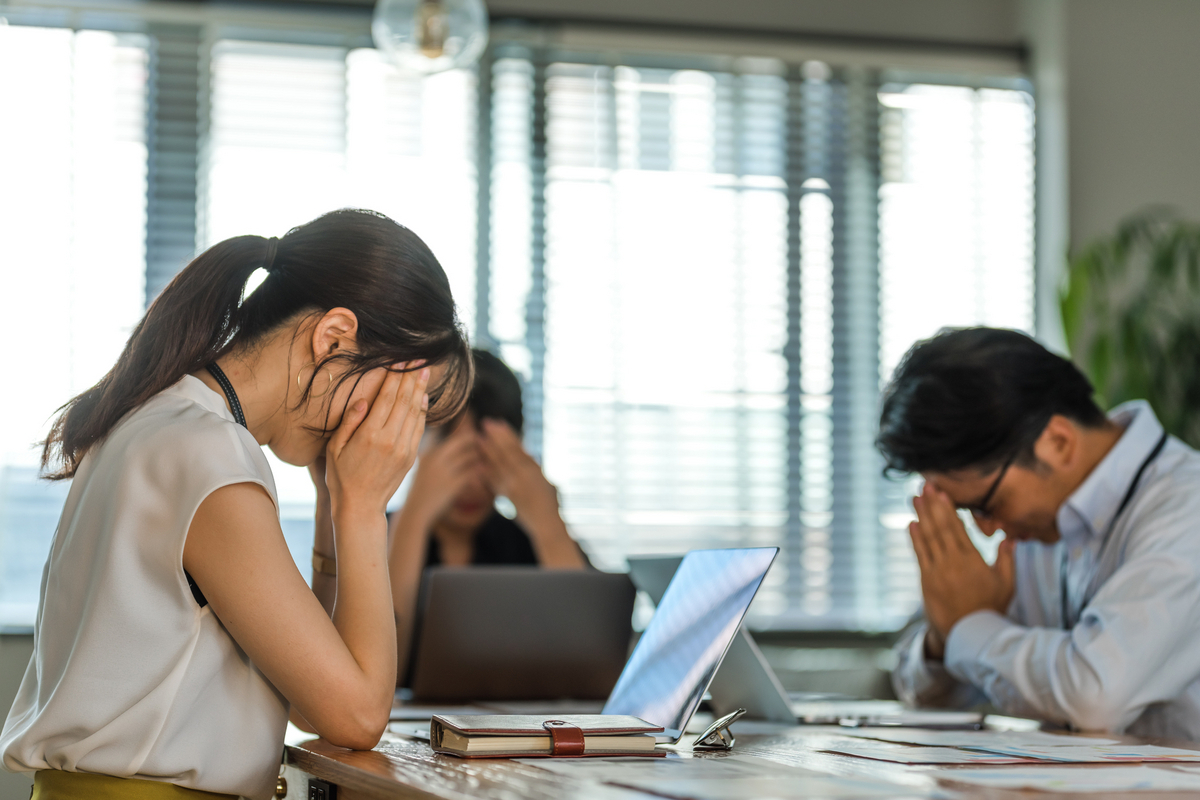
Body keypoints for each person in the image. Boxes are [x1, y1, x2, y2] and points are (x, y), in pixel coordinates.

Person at [0, 209, 472, 800]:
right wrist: (365, 509)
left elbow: (309, 694)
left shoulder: (175, 423)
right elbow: (356, 716)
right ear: (333, 338)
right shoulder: (207, 456)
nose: (393, 430)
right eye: (399, 397)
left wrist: (333, 502)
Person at [878, 326, 1200, 739]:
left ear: (1059, 443)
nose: (986, 530)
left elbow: (1093, 696)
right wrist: (945, 638)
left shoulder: (1185, 508)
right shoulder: (1035, 529)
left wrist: (969, 624)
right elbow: (922, 693)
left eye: (986, 505)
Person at [382, 350, 587, 677]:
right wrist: (414, 516)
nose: (474, 481)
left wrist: (550, 525)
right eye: (459, 458)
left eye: (488, 457)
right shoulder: (371, 533)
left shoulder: (530, 540)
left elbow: (592, 660)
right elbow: (380, 672)